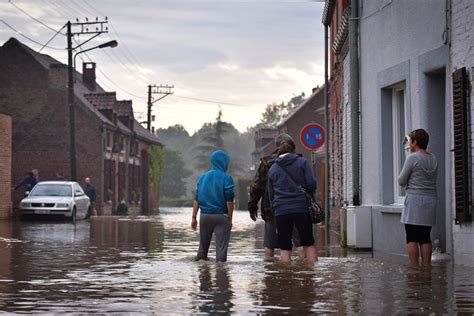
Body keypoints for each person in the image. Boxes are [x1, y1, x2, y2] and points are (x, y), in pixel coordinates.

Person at [248, 133, 304, 258]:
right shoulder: (300, 161)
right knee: (301, 244)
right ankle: (305, 272)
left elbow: (256, 186)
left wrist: (252, 206)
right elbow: (309, 184)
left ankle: (270, 274)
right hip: (297, 207)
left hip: (271, 207)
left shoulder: (267, 163)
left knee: (270, 245)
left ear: (276, 146)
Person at [267, 136, 318, 263]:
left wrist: (276, 206)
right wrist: (308, 195)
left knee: (285, 248)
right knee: (308, 243)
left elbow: (270, 192)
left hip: (281, 210)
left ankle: (286, 277)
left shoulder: (273, 168)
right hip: (301, 208)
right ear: (294, 149)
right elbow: (311, 183)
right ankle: (311, 275)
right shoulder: (302, 162)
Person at [398, 129, 438, 268]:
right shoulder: (433, 158)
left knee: (412, 237)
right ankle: (427, 268)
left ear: (415, 142)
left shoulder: (412, 158)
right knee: (425, 236)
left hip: (414, 201)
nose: (409, 143)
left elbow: (401, 181)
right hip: (430, 200)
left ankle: (414, 268)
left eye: (411, 141)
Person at [191, 150, 235, 263]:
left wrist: (194, 217)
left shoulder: (203, 177)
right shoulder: (227, 178)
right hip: (221, 217)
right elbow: (229, 200)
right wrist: (230, 218)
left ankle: (202, 275)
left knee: (202, 249)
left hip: (205, 216)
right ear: (224, 163)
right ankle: (221, 276)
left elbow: (197, 199)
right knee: (221, 250)